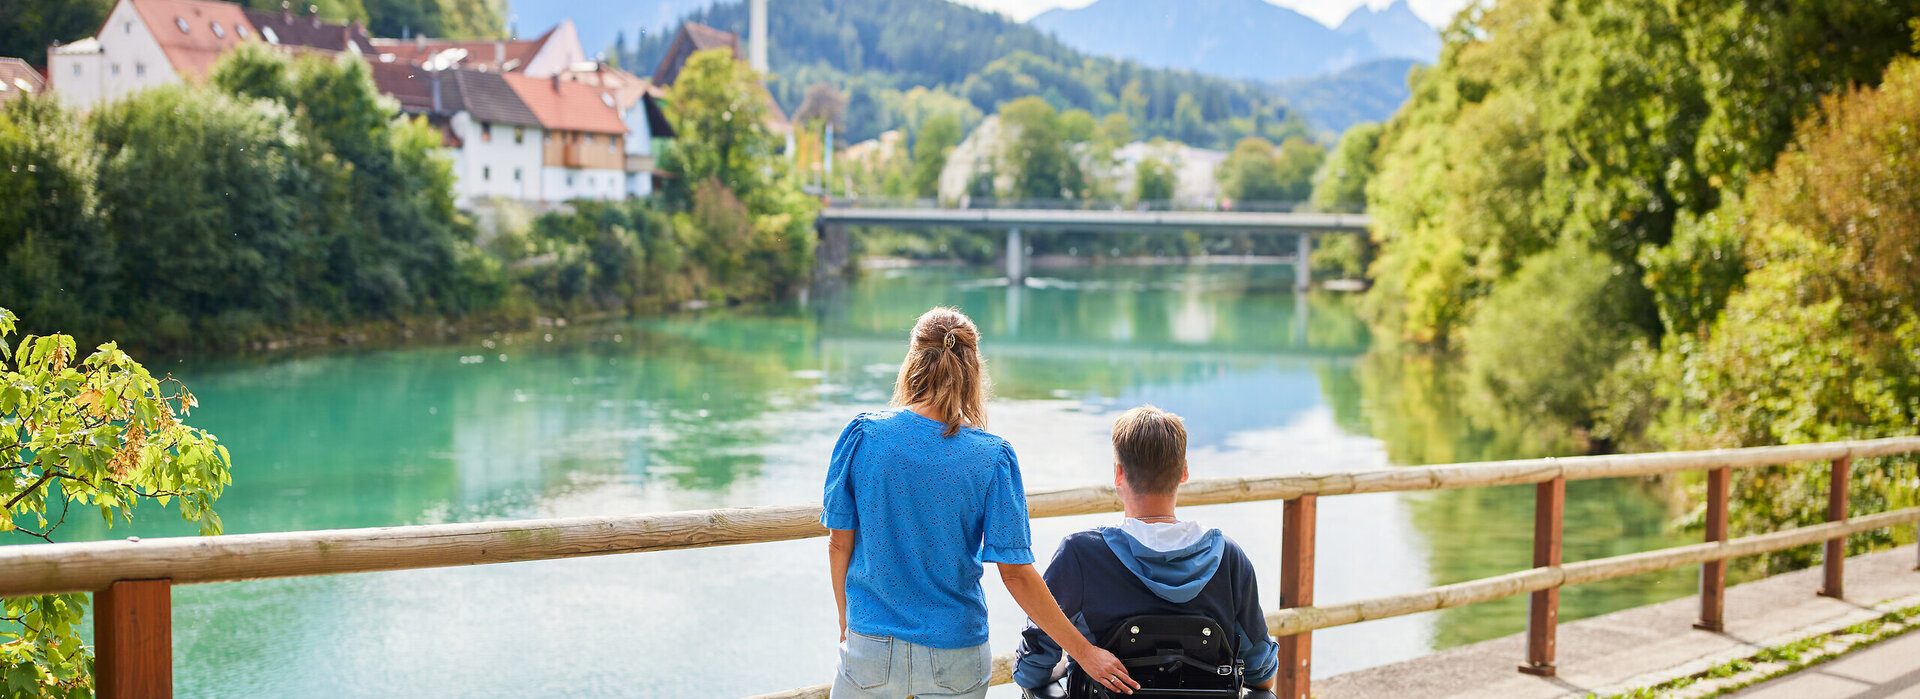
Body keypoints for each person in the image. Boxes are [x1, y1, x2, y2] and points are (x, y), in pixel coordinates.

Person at [822, 307, 1139, 698]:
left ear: (912, 360)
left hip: (869, 646)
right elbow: (1016, 574)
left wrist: (846, 619)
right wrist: (1084, 652)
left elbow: (839, 542)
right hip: (956, 654)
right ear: (974, 368)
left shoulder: (862, 436)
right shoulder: (992, 457)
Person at [1012, 406, 1279, 696]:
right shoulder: (1229, 559)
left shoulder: (1081, 555)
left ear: (1118, 473)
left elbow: (1031, 669)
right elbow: (1262, 675)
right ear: (1184, 472)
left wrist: (1077, 657)